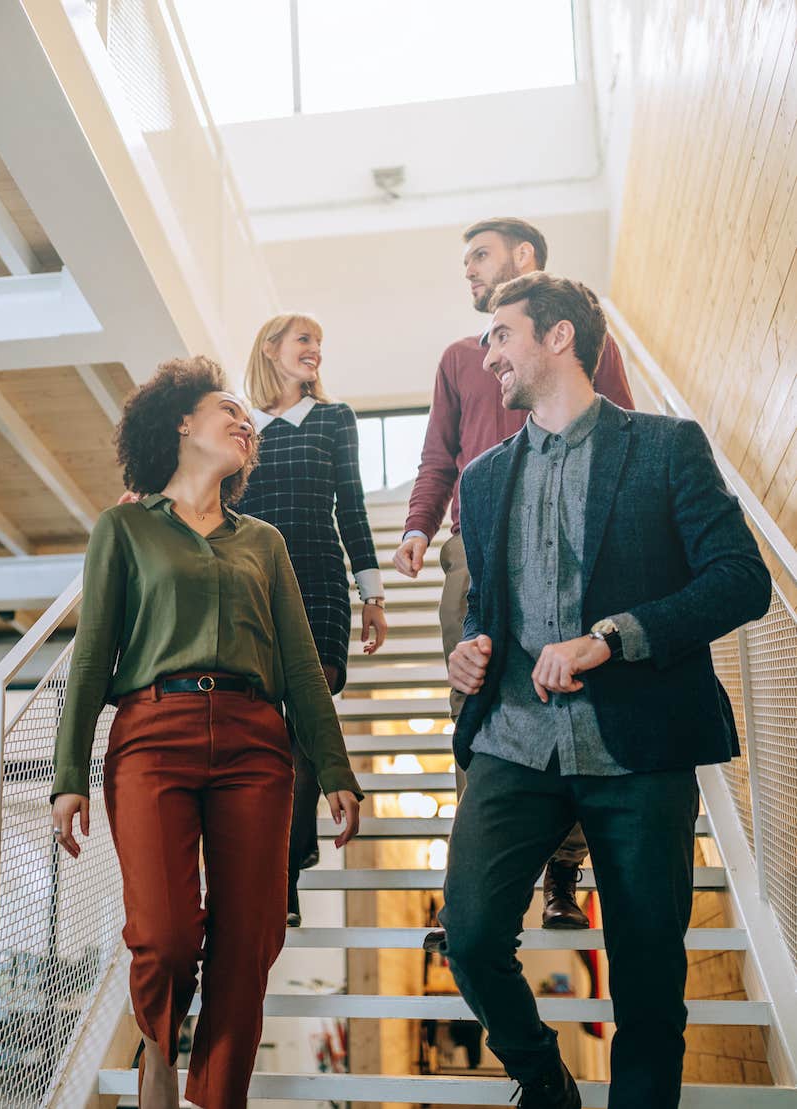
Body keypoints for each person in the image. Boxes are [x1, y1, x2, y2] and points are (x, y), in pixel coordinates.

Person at [439, 273, 771, 1108]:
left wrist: (610, 638)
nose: (488, 356)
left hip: (641, 742)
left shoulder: (667, 446)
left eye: (501, 336)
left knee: (650, 979)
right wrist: (470, 653)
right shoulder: (479, 481)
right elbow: (488, 609)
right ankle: (547, 1085)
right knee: (473, 936)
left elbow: (741, 580)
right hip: (514, 739)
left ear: (558, 339)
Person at [51, 356, 362, 1109]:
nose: (244, 422)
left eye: (247, 419)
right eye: (229, 409)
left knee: (249, 941)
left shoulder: (264, 542)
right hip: (153, 736)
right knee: (164, 936)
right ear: (182, 422)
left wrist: (337, 766)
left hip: (258, 744)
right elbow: (92, 658)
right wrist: (67, 776)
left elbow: (300, 663)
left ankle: (216, 1097)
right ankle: (159, 1049)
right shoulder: (124, 527)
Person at [396, 218, 634, 935]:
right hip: (477, 552)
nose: (468, 270)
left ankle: (563, 874)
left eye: (480, 256)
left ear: (523, 257)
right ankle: (467, 886)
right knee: (476, 708)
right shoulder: (459, 359)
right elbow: (439, 453)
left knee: (573, 700)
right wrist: (418, 523)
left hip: (576, 545)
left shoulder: (588, 343)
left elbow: (622, 428)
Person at [238, 314, 387, 927]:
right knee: (266, 737)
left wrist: (372, 593)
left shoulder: (334, 419)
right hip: (252, 587)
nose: (315, 351)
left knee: (300, 732)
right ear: (270, 348)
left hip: (321, 584)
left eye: (320, 343)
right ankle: (277, 863)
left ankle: (285, 876)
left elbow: (350, 506)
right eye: (304, 340)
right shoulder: (240, 428)